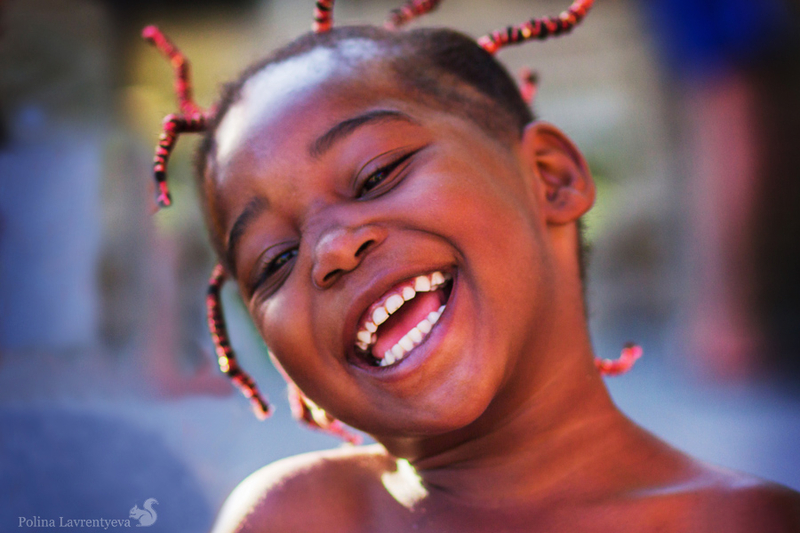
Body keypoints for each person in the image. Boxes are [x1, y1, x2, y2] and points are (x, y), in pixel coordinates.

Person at [142, 1, 800, 531]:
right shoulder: (292, 519)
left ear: (550, 177)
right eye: (275, 261)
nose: (330, 250)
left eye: (376, 175)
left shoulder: (741, 522)